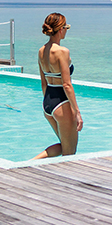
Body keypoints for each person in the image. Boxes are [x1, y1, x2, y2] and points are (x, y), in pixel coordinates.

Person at [32, 12, 82, 159]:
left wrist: (48, 103)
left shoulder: (41, 51)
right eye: (66, 27)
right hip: (62, 102)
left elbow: (43, 83)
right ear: (61, 29)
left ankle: (31, 162)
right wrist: (77, 112)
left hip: (48, 102)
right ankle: (29, 164)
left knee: (64, 146)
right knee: (70, 152)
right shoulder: (62, 52)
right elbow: (66, 85)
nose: (66, 30)